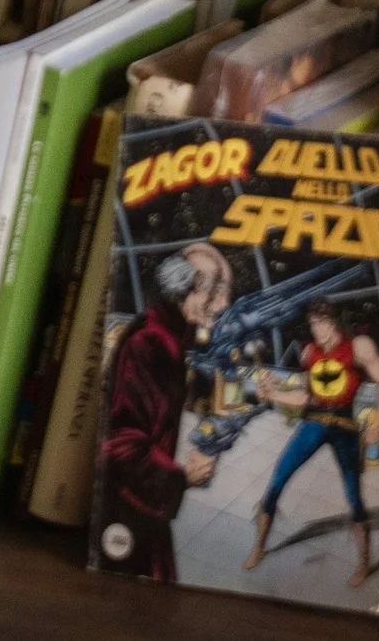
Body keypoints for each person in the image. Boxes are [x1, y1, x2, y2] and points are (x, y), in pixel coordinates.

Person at [94, 242, 233, 583]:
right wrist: (181, 477)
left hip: (142, 509)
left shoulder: (168, 338)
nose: (223, 302)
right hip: (130, 512)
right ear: (183, 286)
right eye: (213, 289)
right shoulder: (153, 343)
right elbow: (120, 444)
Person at [244, 299, 379, 589]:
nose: (318, 329)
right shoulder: (309, 352)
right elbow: (307, 398)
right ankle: (259, 547)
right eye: (314, 323)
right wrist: (273, 395)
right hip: (313, 423)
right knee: (277, 480)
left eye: (324, 322)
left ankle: (363, 563)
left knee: (354, 496)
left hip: (345, 427)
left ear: (336, 321)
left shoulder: (358, 346)